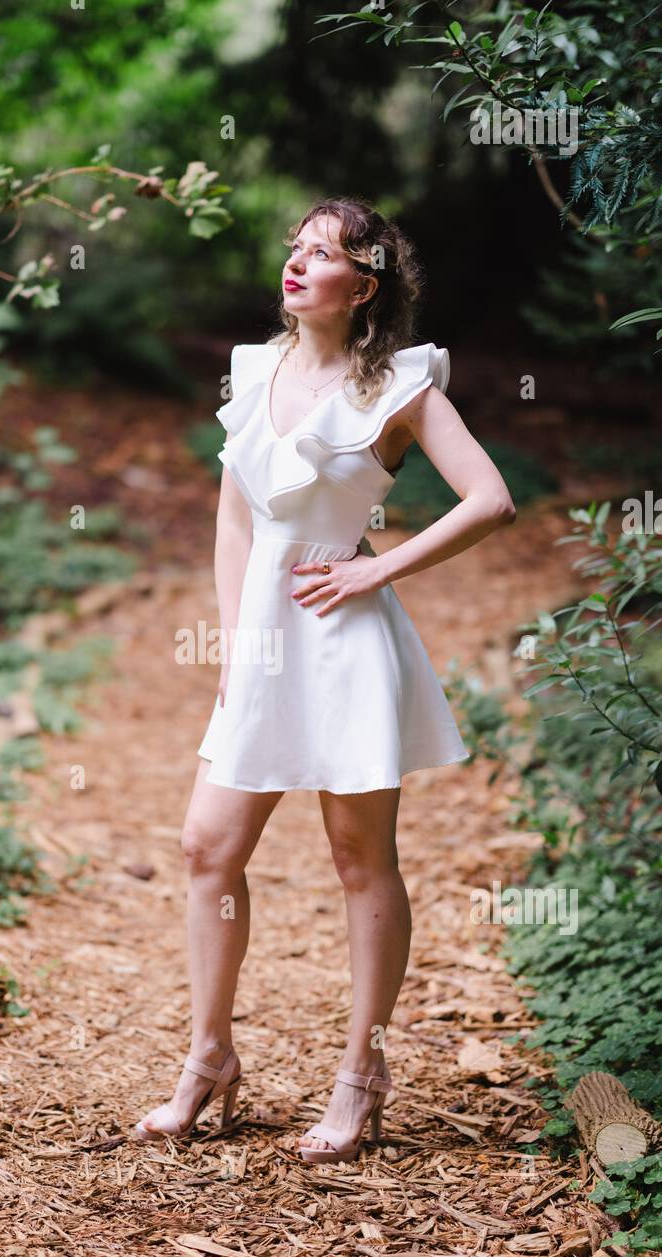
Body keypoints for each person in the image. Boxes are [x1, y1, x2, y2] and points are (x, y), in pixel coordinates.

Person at [133, 197, 516, 1163]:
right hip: (263, 641)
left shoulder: (400, 385)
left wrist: (371, 567)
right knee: (206, 846)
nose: (298, 263)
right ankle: (209, 1058)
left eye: (324, 252)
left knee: (359, 862)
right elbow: (233, 520)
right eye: (295, 247)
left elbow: (491, 500)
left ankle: (362, 1076)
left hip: (345, 641)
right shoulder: (254, 369)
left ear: (367, 283)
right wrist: (232, 642)